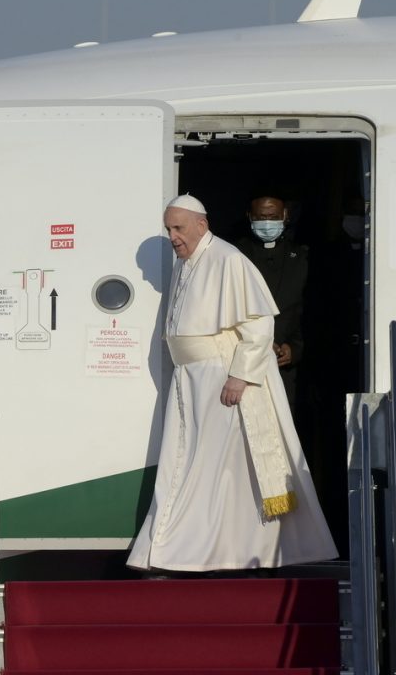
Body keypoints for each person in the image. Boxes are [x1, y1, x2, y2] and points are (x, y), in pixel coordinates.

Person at [127, 194, 336, 572]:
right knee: (192, 464)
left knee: (222, 471)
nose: (173, 237)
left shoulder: (228, 259)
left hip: (220, 377)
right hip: (190, 379)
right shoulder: (187, 262)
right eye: (169, 229)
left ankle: (214, 549)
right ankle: (189, 547)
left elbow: (258, 326)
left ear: (201, 225)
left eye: (178, 228)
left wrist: (240, 376)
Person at [234, 196, 308, 411]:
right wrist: (261, 342)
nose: (267, 223)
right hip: (244, 365)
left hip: (285, 366)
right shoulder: (235, 255)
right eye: (261, 217)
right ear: (250, 217)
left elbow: (307, 310)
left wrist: (295, 348)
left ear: (285, 216)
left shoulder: (302, 257)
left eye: (273, 217)